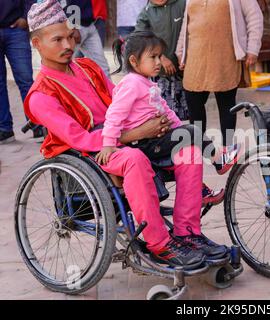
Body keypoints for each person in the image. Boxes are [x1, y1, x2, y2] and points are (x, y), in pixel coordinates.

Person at [25, 0, 227, 270]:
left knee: (187, 146)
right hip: (92, 153)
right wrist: (134, 134)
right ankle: (159, 244)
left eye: (70, 37)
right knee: (132, 158)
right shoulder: (41, 95)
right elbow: (80, 139)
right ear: (37, 44)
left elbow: (120, 102)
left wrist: (152, 121)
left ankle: (187, 232)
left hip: (125, 137)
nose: (67, 45)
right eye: (57, 39)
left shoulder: (89, 68)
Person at [95, 31, 241, 205]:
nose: (158, 62)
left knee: (190, 142)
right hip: (145, 144)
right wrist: (109, 144)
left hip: (157, 139)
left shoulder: (146, 82)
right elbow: (114, 114)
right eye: (153, 57)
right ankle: (219, 161)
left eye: (159, 57)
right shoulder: (131, 83)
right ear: (134, 61)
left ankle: (200, 190)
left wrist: (180, 129)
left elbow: (167, 111)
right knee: (193, 132)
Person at [176, 0, 263, 149]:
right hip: (195, 57)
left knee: (226, 105)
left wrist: (252, 48)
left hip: (225, 56)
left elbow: (255, 17)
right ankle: (199, 147)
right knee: (193, 102)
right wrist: (180, 51)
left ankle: (227, 148)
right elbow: (186, 22)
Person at [135, 0, 189, 121]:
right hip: (160, 75)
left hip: (184, 70)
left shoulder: (182, 4)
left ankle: (188, 138)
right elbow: (140, 38)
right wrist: (160, 57)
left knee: (187, 113)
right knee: (163, 116)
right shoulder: (147, 12)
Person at [0, 0, 42, 144]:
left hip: (15, 30)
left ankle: (37, 125)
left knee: (26, 82)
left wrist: (25, 18)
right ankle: (5, 130)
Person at [63, 0, 110, 75]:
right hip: (76, 26)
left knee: (102, 67)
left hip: (90, 24)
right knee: (65, 66)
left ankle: (108, 87)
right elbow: (66, 3)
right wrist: (73, 26)